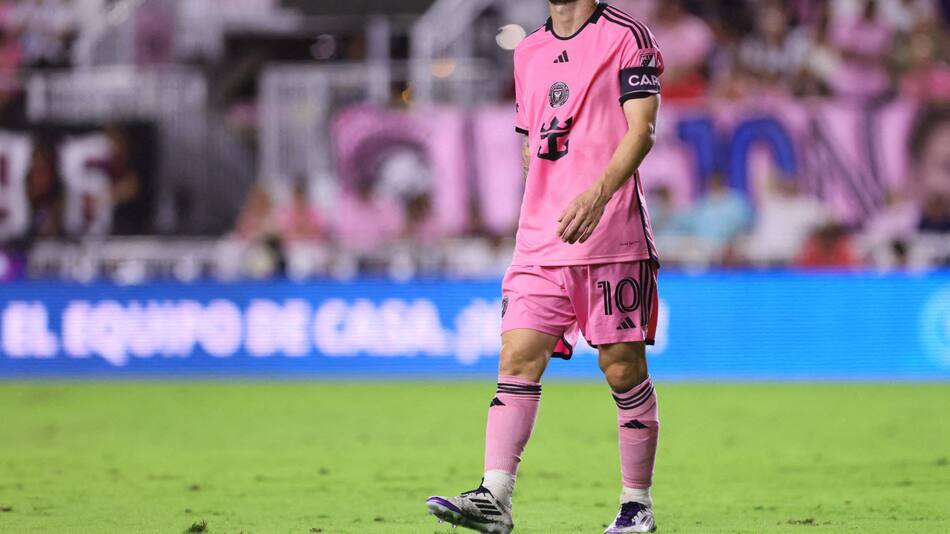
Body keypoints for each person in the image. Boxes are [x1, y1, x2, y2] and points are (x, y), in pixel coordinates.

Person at [426, 1, 665, 533]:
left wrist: (597, 195)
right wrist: (540, 200)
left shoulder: (627, 35)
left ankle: (636, 504)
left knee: (622, 367)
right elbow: (530, 142)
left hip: (611, 236)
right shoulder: (528, 50)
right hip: (540, 240)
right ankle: (495, 496)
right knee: (516, 356)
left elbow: (642, 130)